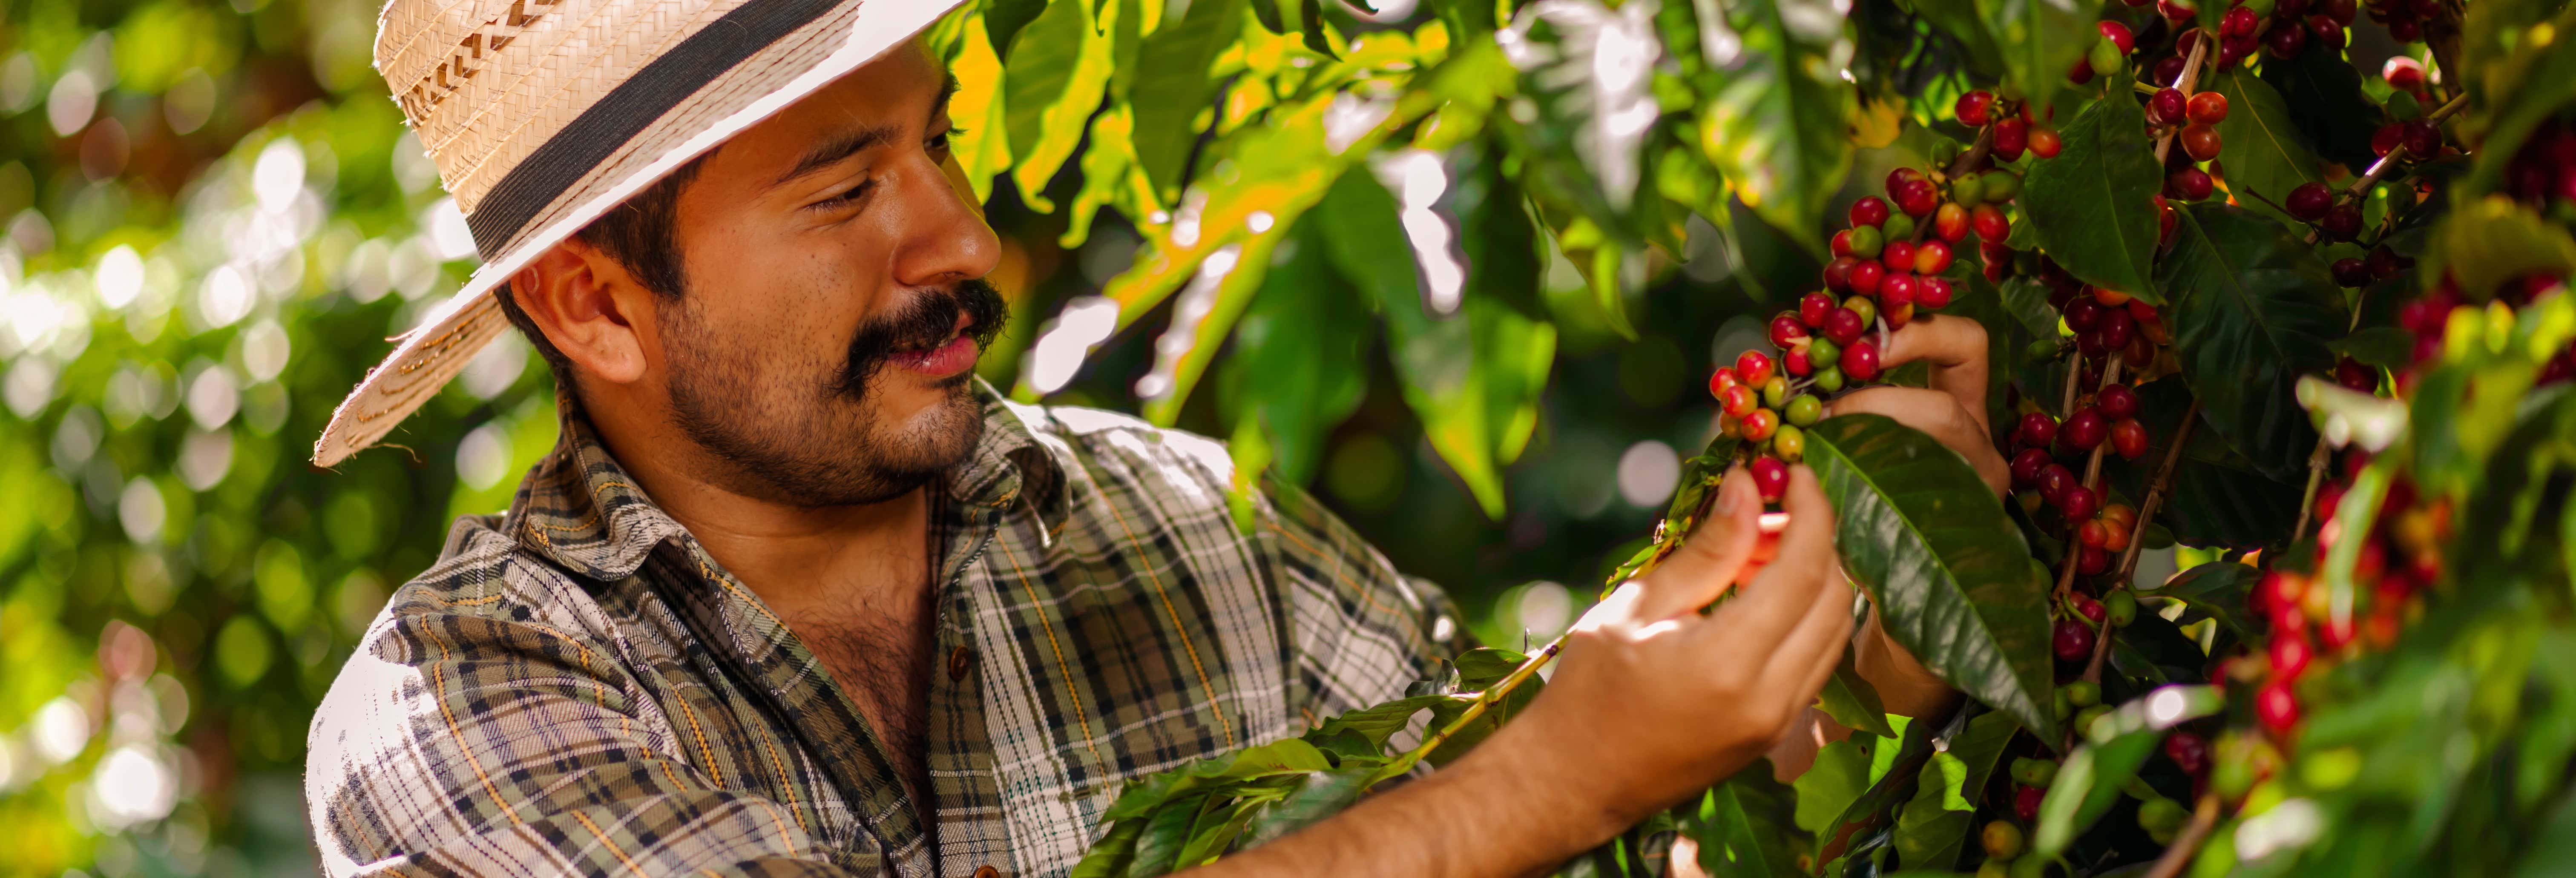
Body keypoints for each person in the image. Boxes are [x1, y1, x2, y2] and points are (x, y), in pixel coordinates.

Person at [303, 0, 2007, 874]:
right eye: (841, 193)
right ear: (595, 307)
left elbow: (1611, 842)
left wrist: (1865, 666)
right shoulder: (464, 714)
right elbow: (1532, 794)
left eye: (934, 148)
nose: (965, 242)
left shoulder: (1191, 526)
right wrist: (1561, 768)